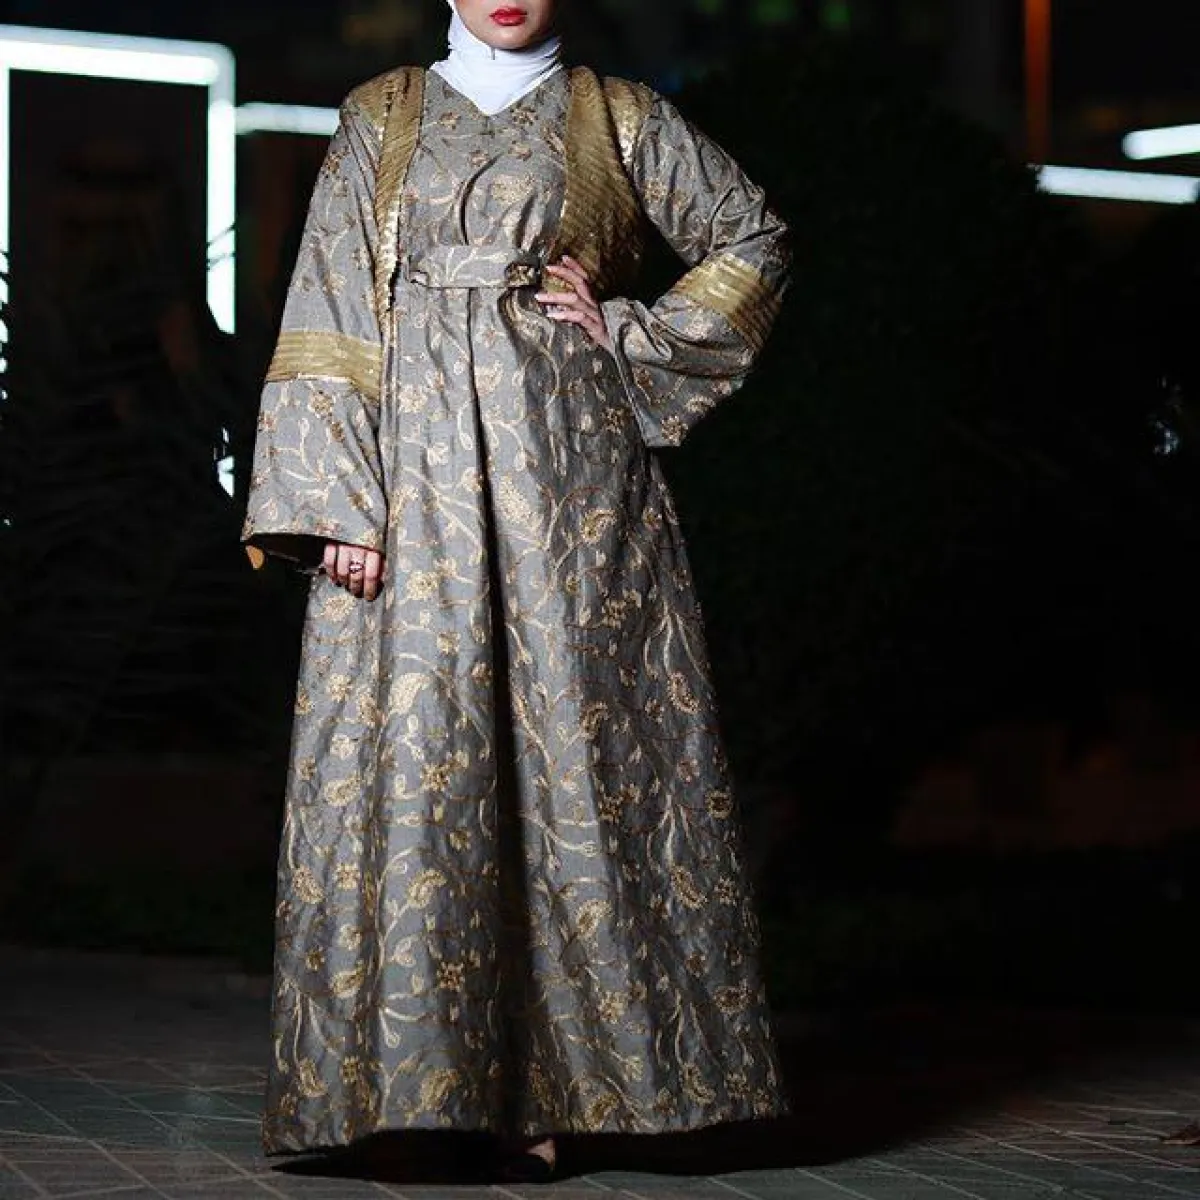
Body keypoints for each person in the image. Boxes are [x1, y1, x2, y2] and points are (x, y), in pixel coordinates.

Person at [242, 0, 792, 1182]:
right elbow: (330, 303)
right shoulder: (383, 113)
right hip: (414, 495)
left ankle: (574, 1100)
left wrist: (635, 332)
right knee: (421, 766)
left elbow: (752, 239)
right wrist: (335, 501)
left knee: (576, 769)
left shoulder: (619, 116)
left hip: (572, 493)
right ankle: (422, 1099)